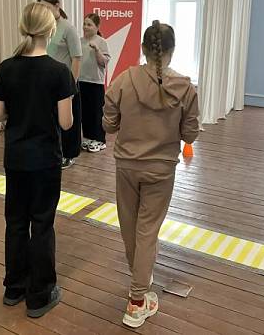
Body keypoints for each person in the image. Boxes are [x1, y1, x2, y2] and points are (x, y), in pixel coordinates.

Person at [103, 20, 199, 328]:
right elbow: (191, 134)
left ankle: (140, 283)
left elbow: (108, 125)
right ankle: (137, 300)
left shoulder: (123, 80)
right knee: (147, 231)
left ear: (143, 48)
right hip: (161, 169)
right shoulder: (185, 88)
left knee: (130, 228)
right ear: (173, 50)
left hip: (126, 166)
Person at [0, 2, 75, 318]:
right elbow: (66, 123)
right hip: (45, 160)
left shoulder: (6, 67)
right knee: (42, 224)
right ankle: (39, 295)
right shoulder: (59, 71)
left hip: (15, 158)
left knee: (15, 222)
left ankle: (14, 288)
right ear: (51, 30)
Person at [37, 0, 82, 169]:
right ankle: (52, 150)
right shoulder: (43, 27)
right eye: (41, 8)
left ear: (57, 6)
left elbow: (76, 58)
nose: (44, 12)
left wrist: (71, 86)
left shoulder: (68, 28)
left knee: (68, 122)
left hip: (65, 83)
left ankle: (69, 154)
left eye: (47, 8)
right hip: (46, 82)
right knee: (50, 120)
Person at [79, 13, 110, 153]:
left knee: (96, 112)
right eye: (84, 24)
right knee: (84, 112)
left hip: (96, 82)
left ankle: (100, 140)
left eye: (89, 24)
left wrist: (97, 50)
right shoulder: (79, 41)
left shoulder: (102, 42)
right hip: (81, 81)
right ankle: (88, 137)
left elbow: (104, 62)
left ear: (97, 27)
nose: (85, 27)